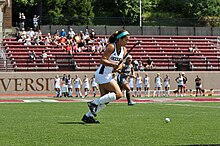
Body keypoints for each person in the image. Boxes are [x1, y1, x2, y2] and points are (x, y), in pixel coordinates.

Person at [81, 30, 130, 123]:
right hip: (102, 74)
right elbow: (102, 60)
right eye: (126, 40)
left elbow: (122, 63)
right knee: (119, 94)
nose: (127, 42)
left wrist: (119, 67)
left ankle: (88, 116)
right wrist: (113, 65)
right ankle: (93, 103)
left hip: (108, 75)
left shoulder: (124, 50)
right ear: (120, 39)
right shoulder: (111, 47)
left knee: (105, 99)